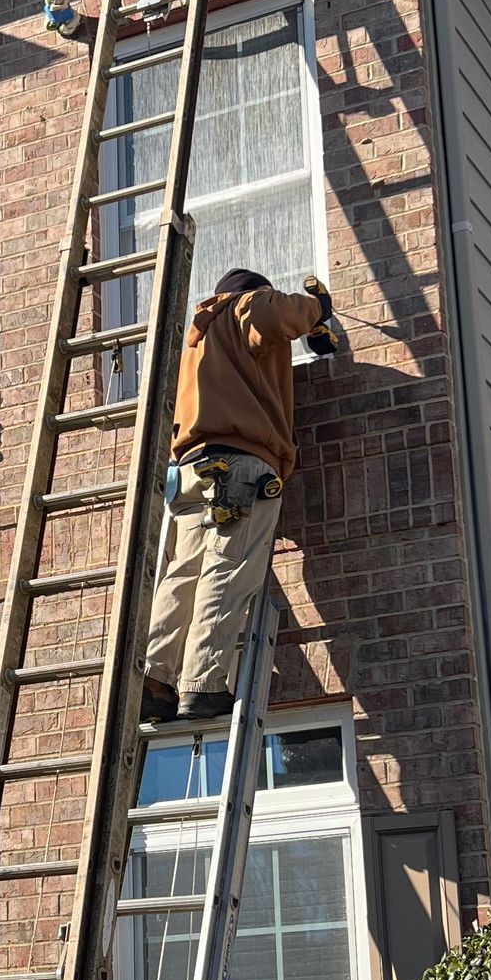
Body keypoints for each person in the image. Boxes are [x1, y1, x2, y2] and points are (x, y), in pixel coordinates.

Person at [142, 267, 335, 725]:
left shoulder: (193, 338)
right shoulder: (247, 305)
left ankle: (153, 679)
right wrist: (316, 311)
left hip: (191, 469)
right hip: (240, 467)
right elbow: (279, 312)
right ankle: (203, 684)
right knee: (227, 570)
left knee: (183, 573)